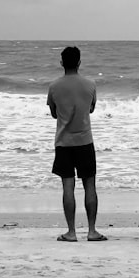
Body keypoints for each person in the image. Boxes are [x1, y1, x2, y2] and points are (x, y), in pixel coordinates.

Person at [46, 46, 106, 242]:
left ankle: (71, 232)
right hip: (84, 141)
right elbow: (91, 109)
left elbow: (54, 113)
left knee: (67, 187)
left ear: (62, 63)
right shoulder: (90, 84)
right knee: (90, 185)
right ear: (79, 62)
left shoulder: (54, 86)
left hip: (64, 142)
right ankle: (91, 231)